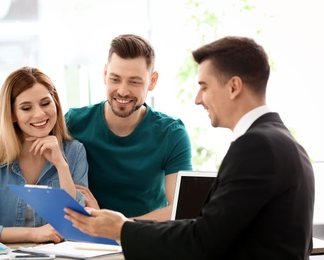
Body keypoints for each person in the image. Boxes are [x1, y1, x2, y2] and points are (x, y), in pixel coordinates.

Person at [64, 36, 315, 259]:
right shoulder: (281, 141)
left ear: (234, 87)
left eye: (204, 86)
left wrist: (121, 228)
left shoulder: (256, 147)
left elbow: (203, 239)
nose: (197, 99)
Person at [0, 34, 193, 221]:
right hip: (81, 241)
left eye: (135, 82)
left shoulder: (172, 134)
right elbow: (13, 140)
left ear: (152, 81)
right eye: (115, 78)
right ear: (104, 74)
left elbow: (180, 209)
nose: (122, 90)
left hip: (142, 240)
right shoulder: (74, 122)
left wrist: (120, 226)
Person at [0, 67, 88, 244]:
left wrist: (61, 165)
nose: (39, 114)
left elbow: (76, 224)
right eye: (26, 108)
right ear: (12, 114)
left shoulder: (74, 152)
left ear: (56, 104)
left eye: (45, 103)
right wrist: (33, 234)